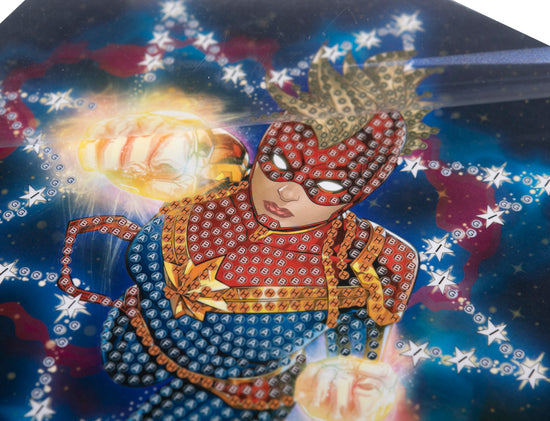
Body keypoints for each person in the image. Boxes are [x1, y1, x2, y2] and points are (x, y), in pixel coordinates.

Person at [57, 48, 436, 421]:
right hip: (125, 341)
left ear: (358, 193)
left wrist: (349, 390)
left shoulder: (368, 258)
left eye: (326, 186)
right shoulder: (216, 167)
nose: (287, 192)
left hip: (237, 398)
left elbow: (350, 379)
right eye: (280, 164)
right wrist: (139, 145)